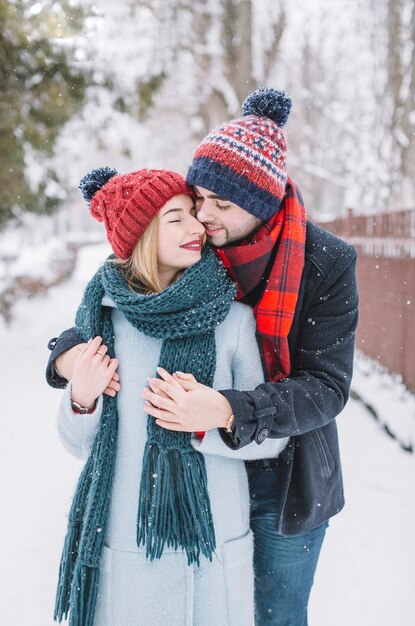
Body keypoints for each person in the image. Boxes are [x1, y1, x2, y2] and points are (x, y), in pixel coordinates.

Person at [47, 88, 359, 626]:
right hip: (207, 472)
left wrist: (227, 411)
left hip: (289, 476)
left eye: (221, 204)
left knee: (276, 616)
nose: (203, 216)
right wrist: (66, 359)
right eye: (197, 199)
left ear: (261, 204)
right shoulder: (197, 242)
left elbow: (326, 387)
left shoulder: (325, 263)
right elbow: (129, 292)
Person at [52, 166, 286, 626]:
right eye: (175, 218)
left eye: (192, 214)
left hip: (213, 545)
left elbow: (272, 440)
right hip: (127, 546)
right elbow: (79, 445)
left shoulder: (234, 320)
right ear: (140, 235)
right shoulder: (102, 323)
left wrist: (213, 417)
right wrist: (82, 396)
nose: (197, 227)